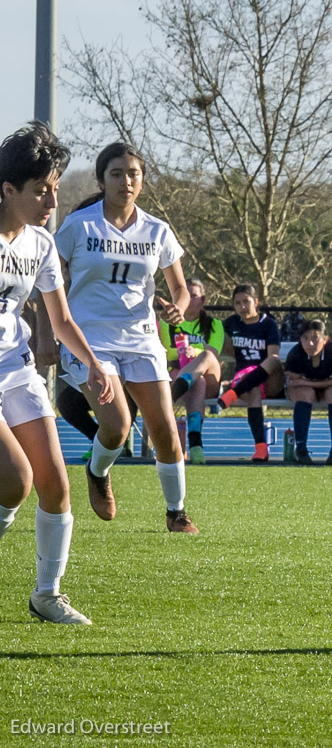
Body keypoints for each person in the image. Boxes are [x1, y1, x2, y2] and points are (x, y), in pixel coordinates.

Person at [0, 122, 115, 624]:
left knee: (55, 483)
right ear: (8, 189)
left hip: (15, 369)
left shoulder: (42, 245)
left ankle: (48, 594)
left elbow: (61, 319)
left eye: (55, 186)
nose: (53, 199)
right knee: (15, 480)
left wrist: (92, 363)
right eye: (41, 189)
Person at [55, 141, 199, 534]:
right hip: (91, 341)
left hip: (142, 340)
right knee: (117, 426)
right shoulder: (79, 225)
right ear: (102, 179)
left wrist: (177, 308)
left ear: (143, 180)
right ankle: (97, 470)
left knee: (166, 431)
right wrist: (47, 330)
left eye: (133, 173)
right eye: (116, 174)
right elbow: (48, 276)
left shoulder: (157, 230)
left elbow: (181, 290)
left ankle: (177, 512)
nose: (126, 181)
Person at [159, 278, 224, 465]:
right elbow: (167, 353)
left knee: (206, 357)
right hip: (179, 374)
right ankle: (196, 445)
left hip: (210, 376)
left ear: (202, 300)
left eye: (193, 296)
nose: (189, 300)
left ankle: (168, 401)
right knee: (198, 382)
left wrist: (194, 351)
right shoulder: (166, 323)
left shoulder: (214, 325)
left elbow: (214, 352)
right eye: (186, 296)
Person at [221, 283, 283, 461]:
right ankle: (261, 448)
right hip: (245, 380)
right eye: (238, 303)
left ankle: (233, 394)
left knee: (273, 360)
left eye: (246, 302)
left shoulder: (269, 325)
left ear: (256, 302)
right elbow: (218, 343)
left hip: (269, 380)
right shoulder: (231, 323)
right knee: (253, 389)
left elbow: (273, 356)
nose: (242, 306)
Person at [283, 319, 332, 465]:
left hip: (329, 385)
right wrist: (309, 385)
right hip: (307, 388)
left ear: (325, 339)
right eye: (305, 339)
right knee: (306, 394)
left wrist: (309, 383)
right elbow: (294, 381)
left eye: (315, 338)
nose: (310, 344)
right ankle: (301, 449)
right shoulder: (295, 354)